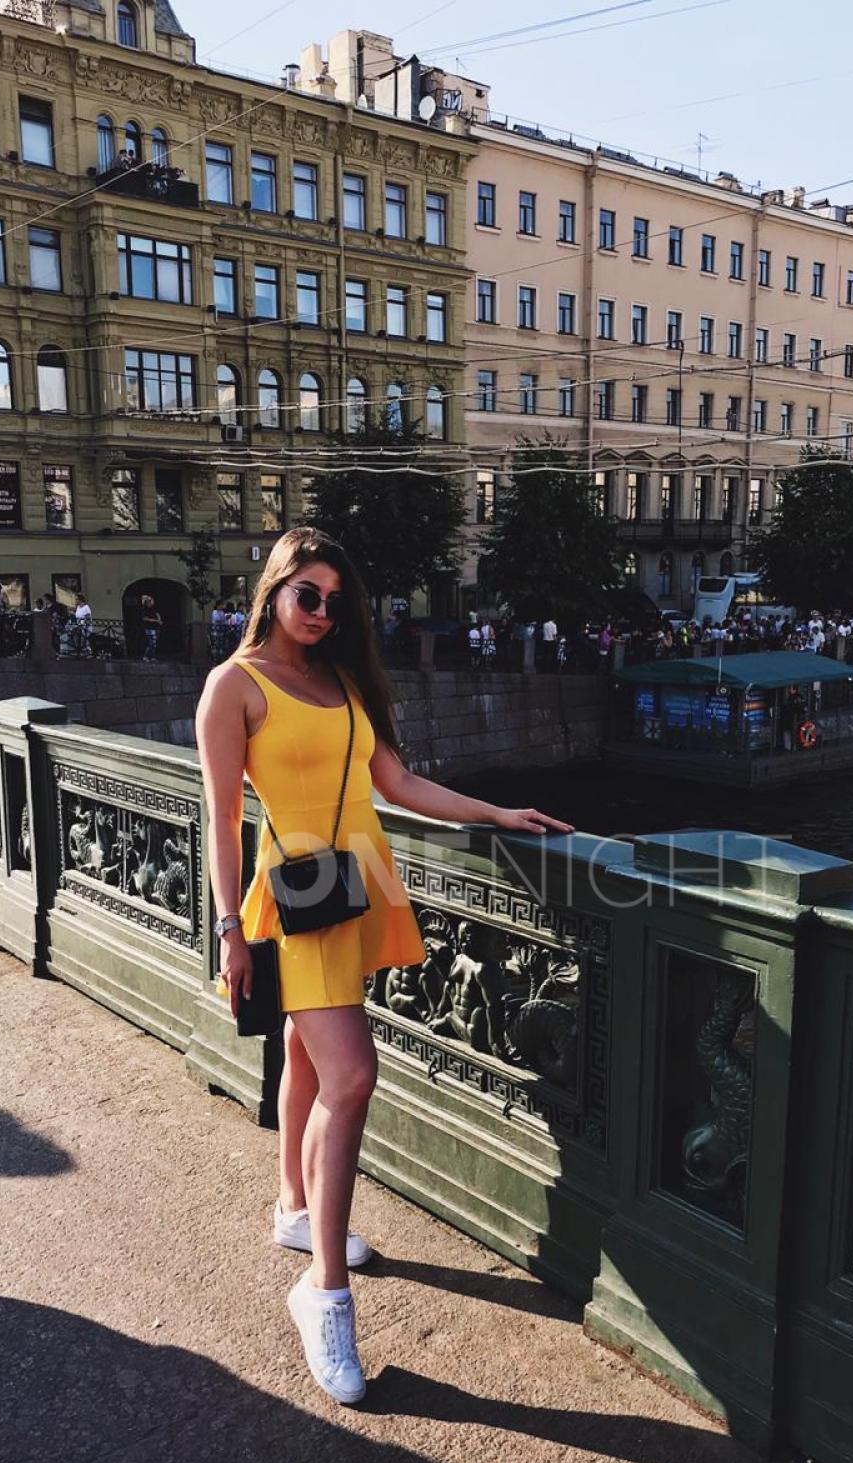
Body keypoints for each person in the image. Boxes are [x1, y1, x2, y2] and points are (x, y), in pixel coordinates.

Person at [195, 528, 573, 1406]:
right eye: (308, 595)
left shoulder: (343, 680)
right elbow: (220, 818)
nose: (322, 613)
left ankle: (294, 1210)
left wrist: (495, 812)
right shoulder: (234, 685)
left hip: (354, 886)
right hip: (292, 899)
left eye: (337, 602)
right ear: (274, 589)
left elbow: (397, 785)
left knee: (307, 1056)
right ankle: (324, 1292)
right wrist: (228, 930)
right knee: (352, 1076)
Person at [140, 593, 162, 662]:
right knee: (150, 643)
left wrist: (159, 619)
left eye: (152, 601)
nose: (151, 602)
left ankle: (152, 657)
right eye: (150, 601)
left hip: (156, 628)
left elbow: (158, 614)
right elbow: (145, 619)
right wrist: (156, 620)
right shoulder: (144, 609)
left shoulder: (154, 609)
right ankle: (145, 656)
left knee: (154, 643)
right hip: (149, 628)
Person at [73, 592, 92, 657]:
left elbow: (88, 618)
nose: (75, 601)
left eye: (76, 599)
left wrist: (84, 625)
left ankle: (88, 652)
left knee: (84, 640)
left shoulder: (86, 607)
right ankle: (79, 651)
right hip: (79, 626)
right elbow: (77, 616)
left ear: (80, 600)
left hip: (85, 627)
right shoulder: (78, 607)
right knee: (76, 638)